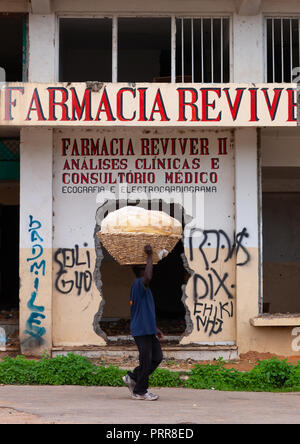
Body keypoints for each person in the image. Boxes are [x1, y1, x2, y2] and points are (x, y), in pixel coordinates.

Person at [122, 245, 164, 401]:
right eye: (147, 267)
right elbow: (148, 277)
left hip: (147, 329)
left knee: (157, 357)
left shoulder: (142, 287)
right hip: (141, 330)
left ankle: (132, 377)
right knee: (146, 361)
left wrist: (155, 327)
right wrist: (149, 255)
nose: (150, 269)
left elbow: (143, 311)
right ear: (142, 271)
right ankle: (140, 391)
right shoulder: (140, 283)